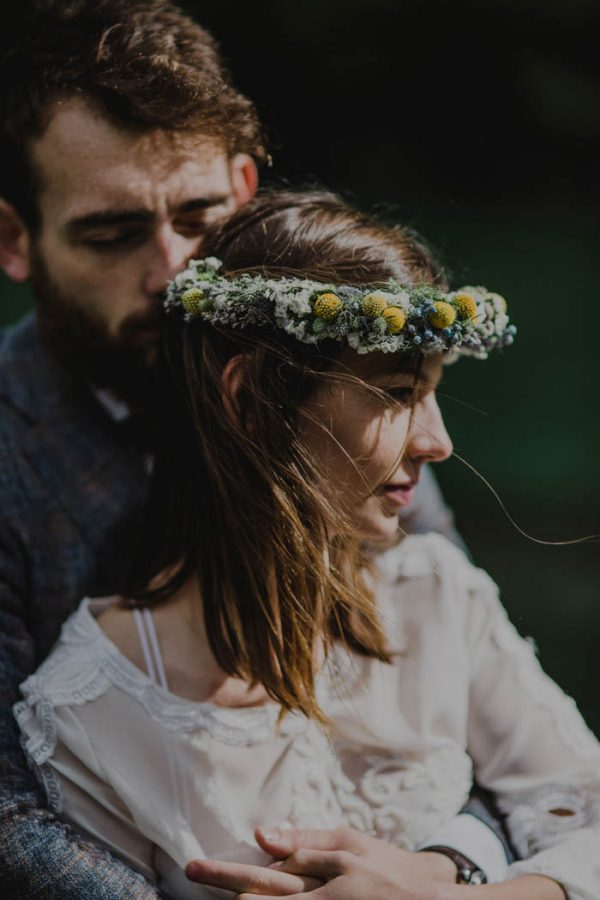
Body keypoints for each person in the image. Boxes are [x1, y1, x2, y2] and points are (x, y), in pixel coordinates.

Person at [0, 3, 498, 897]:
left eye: (199, 218)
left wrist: (444, 869)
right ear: (13, 239)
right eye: (111, 234)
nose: (172, 273)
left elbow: (477, 694)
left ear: (245, 185)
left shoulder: (347, 409)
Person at [14, 191, 600, 900]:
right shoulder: (92, 711)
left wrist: (450, 894)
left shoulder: (435, 593)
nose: (438, 442)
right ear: (251, 401)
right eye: (395, 392)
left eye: (434, 393)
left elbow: (586, 807)